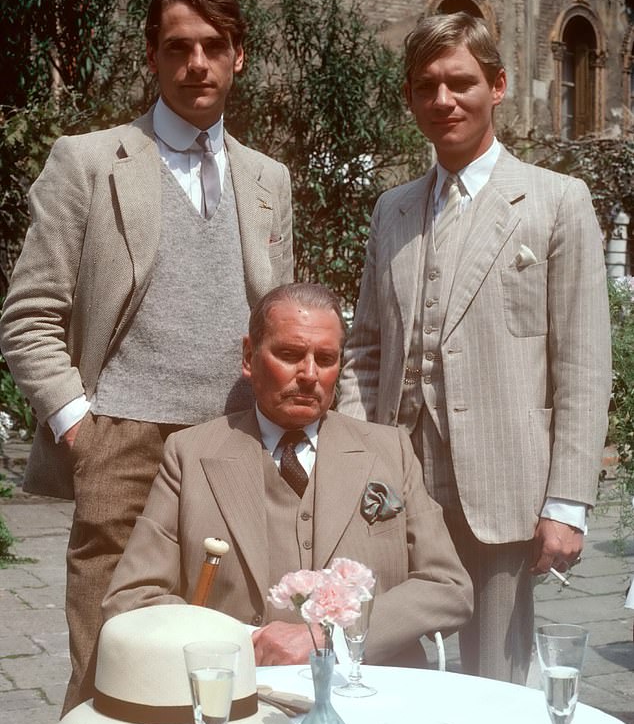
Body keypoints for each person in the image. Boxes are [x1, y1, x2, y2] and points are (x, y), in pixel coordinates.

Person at [0, 0, 293, 711]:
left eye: (213, 47)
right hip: (120, 448)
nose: (197, 63)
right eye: (178, 47)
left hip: (234, 444)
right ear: (154, 58)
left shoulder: (267, 179)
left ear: (239, 57)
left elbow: (278, 324)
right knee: (109, 667)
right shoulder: (90, 161)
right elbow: (27, 314)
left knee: (227, 659)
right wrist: (81, 429)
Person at [337, 12, 611, 683]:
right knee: (386, 669)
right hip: (399, 491)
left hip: (503, 494)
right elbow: (366, 349)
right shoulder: (393, 209)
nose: (443, 101)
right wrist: (357, 456)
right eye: (426, 86)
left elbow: (581, 365)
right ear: (410, 98)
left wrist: (566, 504)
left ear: (498, 85)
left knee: (497, 683)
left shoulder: (555, 202)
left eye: (460, 83)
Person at [103, 283, 473, 667]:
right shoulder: (190, 456)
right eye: (290, 354)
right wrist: (251, 642)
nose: (309, 374)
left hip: (370, 692)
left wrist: (332, 640)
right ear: (249, 357)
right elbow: (132, 598)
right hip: (240, 693)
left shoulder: (389, 450)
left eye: (326, 358)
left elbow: (448, 588)